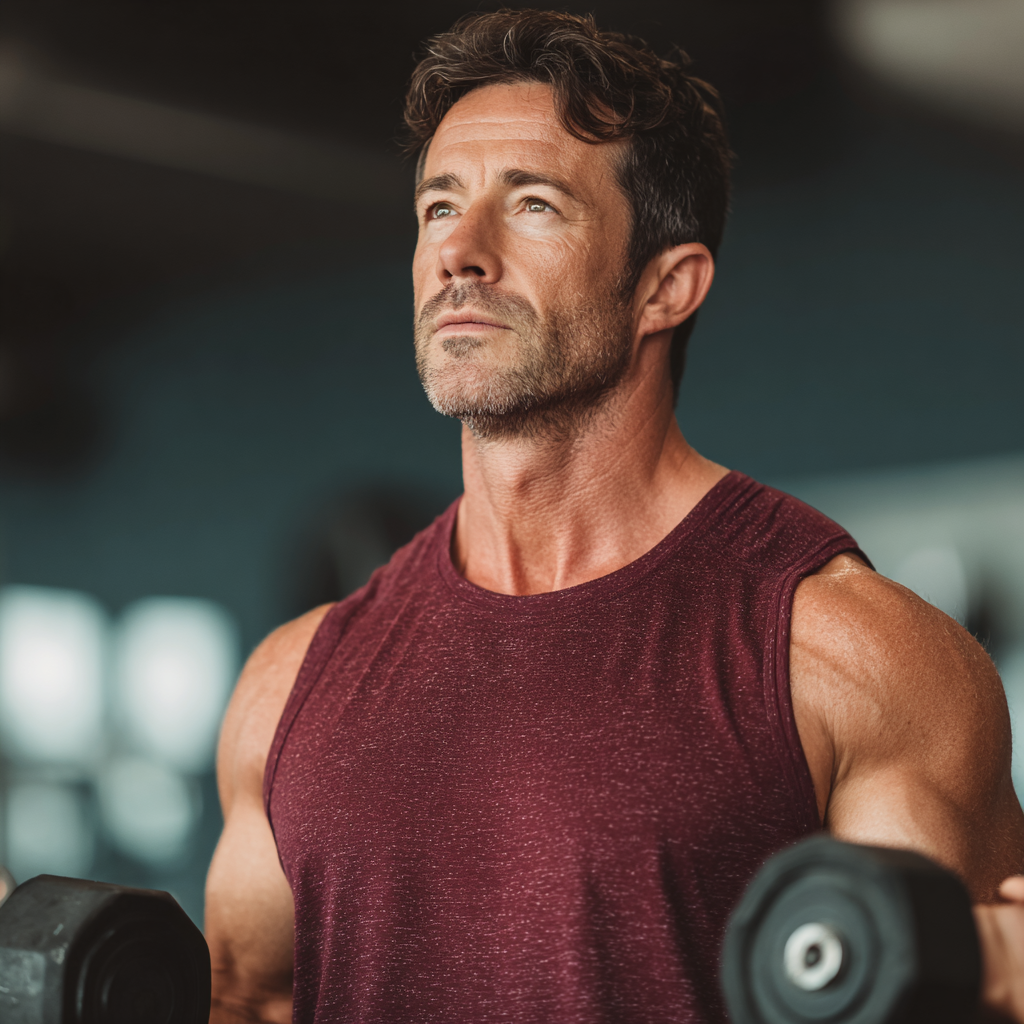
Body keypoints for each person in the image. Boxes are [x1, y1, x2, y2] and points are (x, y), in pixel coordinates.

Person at [204, 10, 1024, 1023]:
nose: (458, 250)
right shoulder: (291, 683)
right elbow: (248, 999)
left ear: (664, 287)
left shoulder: (850, 656)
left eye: (534, 205)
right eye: (436, 207)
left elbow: (959, 994)